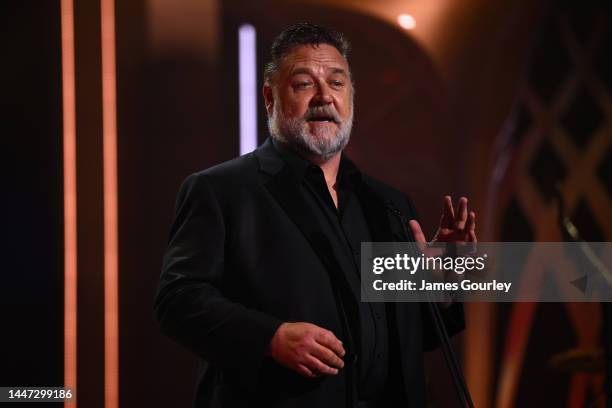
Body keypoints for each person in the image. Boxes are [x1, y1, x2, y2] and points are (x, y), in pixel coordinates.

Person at [155, 23, 476, 408]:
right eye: (304, 83)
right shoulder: (222, 191)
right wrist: (270, 338)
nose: (324, 96)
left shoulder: (389, 205)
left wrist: (440, 285)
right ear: (270, 98)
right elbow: (178, 301)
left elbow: (409, 336)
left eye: (337, 84)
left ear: (351, 98)